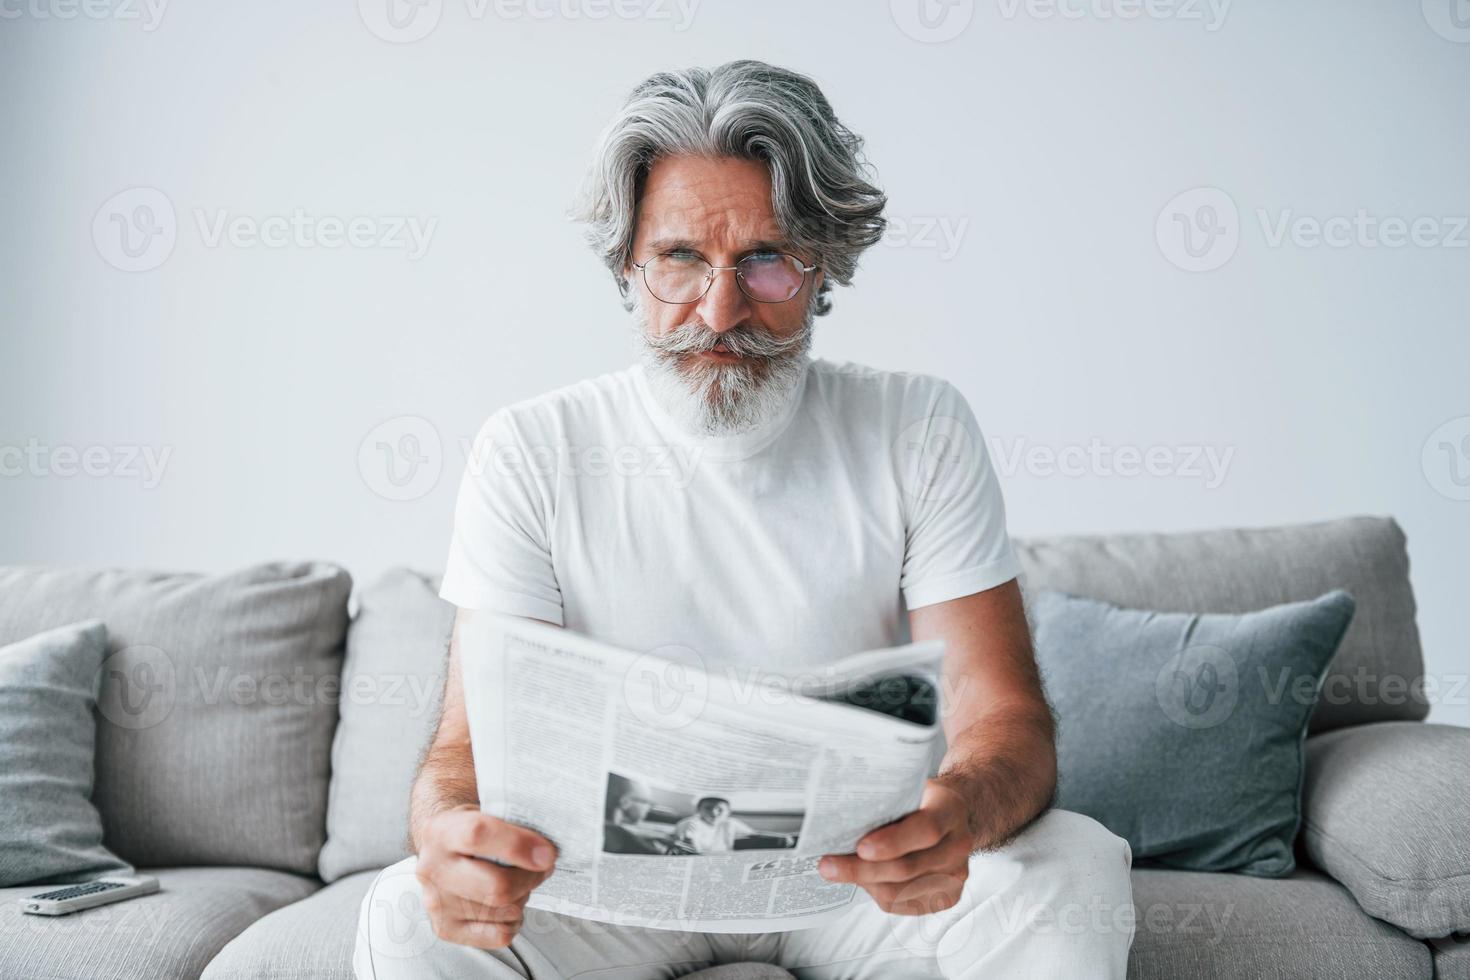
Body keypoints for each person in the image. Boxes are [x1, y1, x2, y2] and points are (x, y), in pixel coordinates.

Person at [355, 59, 1134, 979]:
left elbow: (1003, 716)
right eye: (682, 258)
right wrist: (449, 836)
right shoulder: (531, 447)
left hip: (861, 883)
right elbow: (465, 751)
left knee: (1073, 866)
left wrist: (957, 811)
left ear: (821, 267)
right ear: (629, 265)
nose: (720, 310)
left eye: (764, 260)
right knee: (408, 915)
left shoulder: (919, 428)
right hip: (608, 894)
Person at [671, 796, 791, 854]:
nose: (714, 812)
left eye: (720, 809)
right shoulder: (691, 823)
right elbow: (687, 846)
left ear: (728, 812)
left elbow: (755, 834)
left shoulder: (730, 823)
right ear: (698, 810)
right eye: (708, 808)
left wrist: (780, 836)